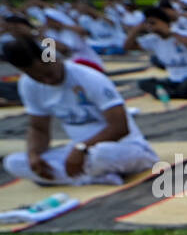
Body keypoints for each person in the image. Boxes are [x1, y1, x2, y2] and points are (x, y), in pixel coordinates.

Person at [1, 34, 158, 186]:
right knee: (14, 163)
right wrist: (33, 154)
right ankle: (95, 177)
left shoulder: (88, 77)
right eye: (38, 78)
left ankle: (79, 177)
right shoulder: (28, 85)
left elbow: (120, 128)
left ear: (53, 58)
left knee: (101, 155)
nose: (47, 80)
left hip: (120, 148)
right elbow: (38, 127)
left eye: (48, 73)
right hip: (78, 152)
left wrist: (81, 148)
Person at [124, 7, 187, 100]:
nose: (150, 26)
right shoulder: (153, 39)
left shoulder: (181, 33)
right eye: (147, 23)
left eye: (153, 23)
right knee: (144, 83)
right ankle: (175, 93)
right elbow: (128, 47)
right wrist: (136, 29)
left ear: (164, 22)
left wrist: (171, 33)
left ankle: (171, 94)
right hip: (174, 81)